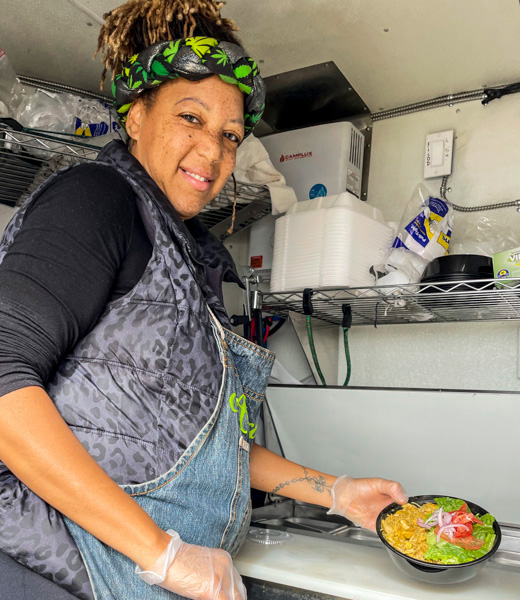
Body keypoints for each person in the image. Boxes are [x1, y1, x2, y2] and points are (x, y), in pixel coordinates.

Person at [0, 1, 408, 599]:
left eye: (229, 135)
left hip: (141, 574)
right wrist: (161, 553)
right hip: (54, 569)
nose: (213, 152)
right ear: (135, 115)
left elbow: (213, 447)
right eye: (189, 117)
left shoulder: (191, 261)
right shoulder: (97, 199)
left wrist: (336, 490)